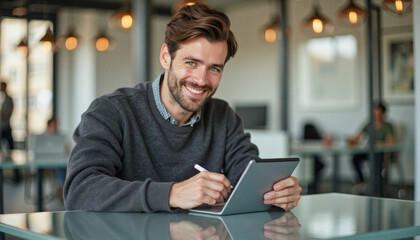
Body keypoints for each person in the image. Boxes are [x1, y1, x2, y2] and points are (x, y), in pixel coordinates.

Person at [64, 3, 301, 213]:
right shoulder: (111, 111)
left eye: (214, 69)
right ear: (166, 57)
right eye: (191, 63)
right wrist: (172, 194)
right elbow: (80, 189)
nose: (201, 79)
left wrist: (275, 193)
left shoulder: (223, 116)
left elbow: (247, 182)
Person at [348, 102, 394, 188]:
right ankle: (361, 181)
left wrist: (377, 143)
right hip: (371, 152)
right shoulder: (369, 124)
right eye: (374, 113)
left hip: (383, 153)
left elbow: (390, 142)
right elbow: (356, 137)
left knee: (377, 161)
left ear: (383, 113)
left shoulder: (387, 126)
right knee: (355, 158)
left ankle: (377, 185)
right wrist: (352, 140)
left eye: (378, 113)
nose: (376, 115)